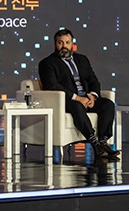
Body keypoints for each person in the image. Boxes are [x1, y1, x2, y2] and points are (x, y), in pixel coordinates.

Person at [38, 29, 118, 160]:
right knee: (77, 106)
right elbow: (52, 86)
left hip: (86, 98)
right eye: (60, 42)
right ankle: (94, 142)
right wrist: (77, 98)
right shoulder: (47, 63)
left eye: (67, 42)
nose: (64, 46)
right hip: (66, 100)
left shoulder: (82, 59)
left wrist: (93, 96)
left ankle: (103, 143)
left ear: (72, 44)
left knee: (107, 104)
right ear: (55, 44)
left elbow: (93, 80)